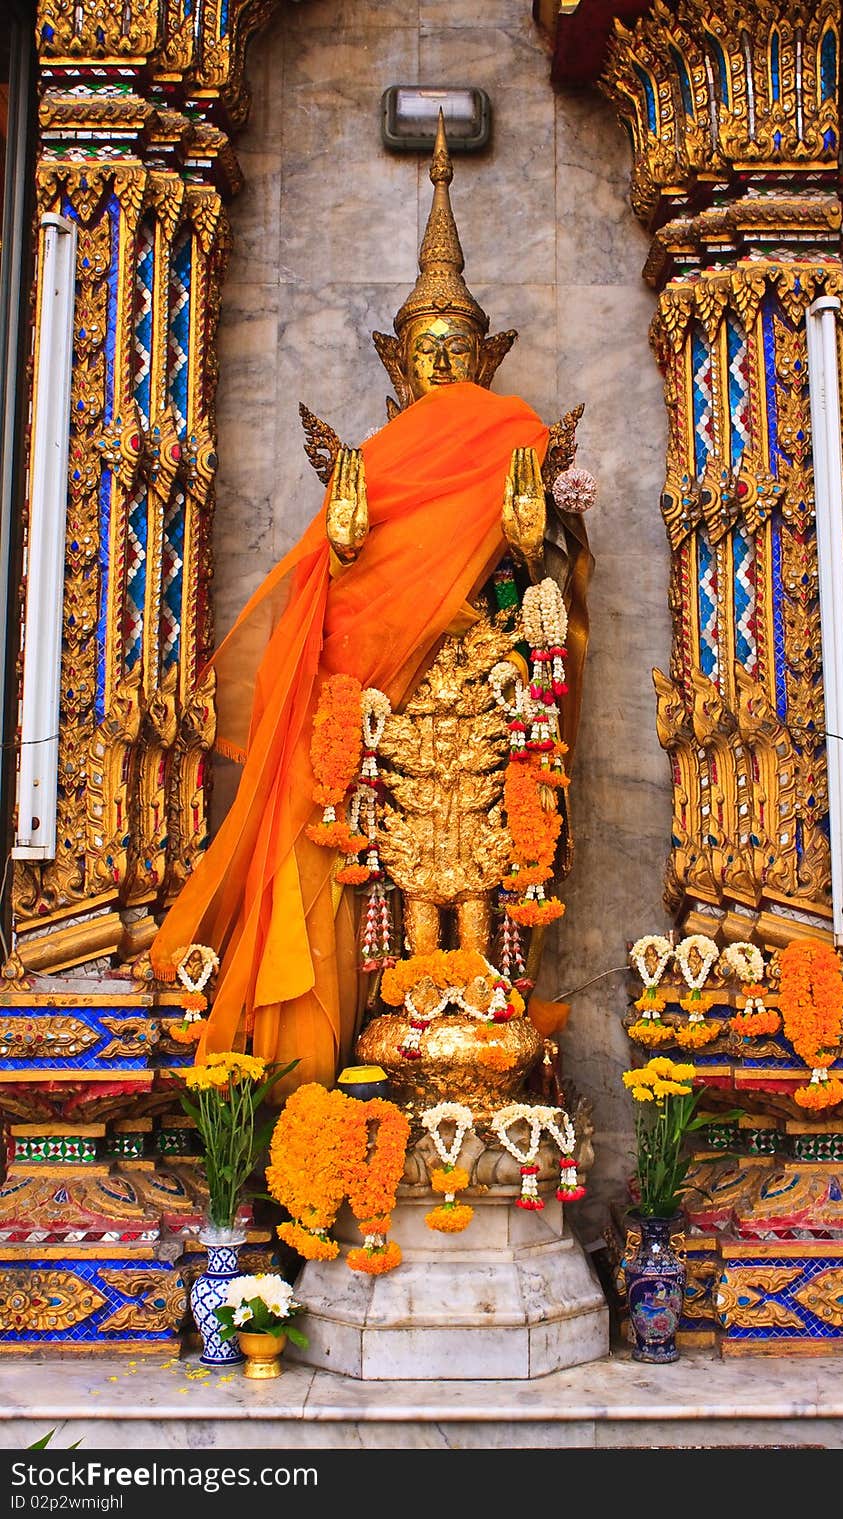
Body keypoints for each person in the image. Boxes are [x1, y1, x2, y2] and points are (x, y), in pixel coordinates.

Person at [150, 114, 593, 1094]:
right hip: (390, 701)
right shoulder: (376, 467)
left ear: (482, 355)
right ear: (401, 361)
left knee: (482, 872)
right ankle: (385, 1054)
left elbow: (542, 589)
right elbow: (334, 597)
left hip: (485, 690)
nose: (442, 370)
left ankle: (481, 1025)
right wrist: (347, 548)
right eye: (426, 353)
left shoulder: (511, 442)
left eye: (456, 352)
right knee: (389, 874)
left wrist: (538, 534)